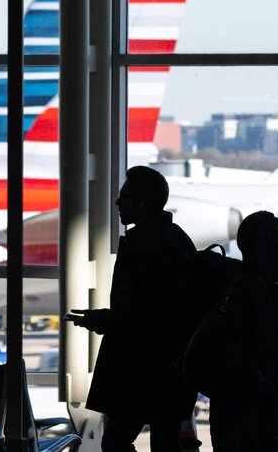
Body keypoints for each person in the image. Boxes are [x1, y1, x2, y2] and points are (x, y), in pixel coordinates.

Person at [67, 166, 198, 452]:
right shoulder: (175, 239)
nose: (117, 203)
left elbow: (145, 316)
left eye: (124, 198)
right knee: (165, 440)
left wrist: (105, 320)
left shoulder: (146, 245)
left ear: (142, 204)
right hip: (168, 369)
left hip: (139, 369)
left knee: (116, 441)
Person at [208, 211, 278, 451]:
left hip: (231, 411)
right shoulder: (263, 293)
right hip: (262, 414)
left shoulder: (232, 283)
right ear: (268, 252)